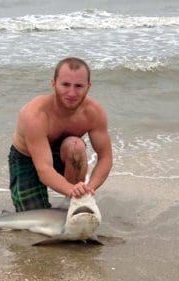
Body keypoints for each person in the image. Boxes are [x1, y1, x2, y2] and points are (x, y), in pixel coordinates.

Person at [8, 57, 113, 212]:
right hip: (27, 158)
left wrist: (88, 189)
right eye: (65, 85)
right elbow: (44, 168)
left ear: (88, 86)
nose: (71, 93)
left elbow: (105, 158)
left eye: (78, 86)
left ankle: (72, 202)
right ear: (54, 83)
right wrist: (70, 188)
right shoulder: (35, 115)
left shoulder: (94, 112)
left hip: (64, 153)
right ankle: (70, 194)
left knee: (75, 145)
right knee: (34, 218)